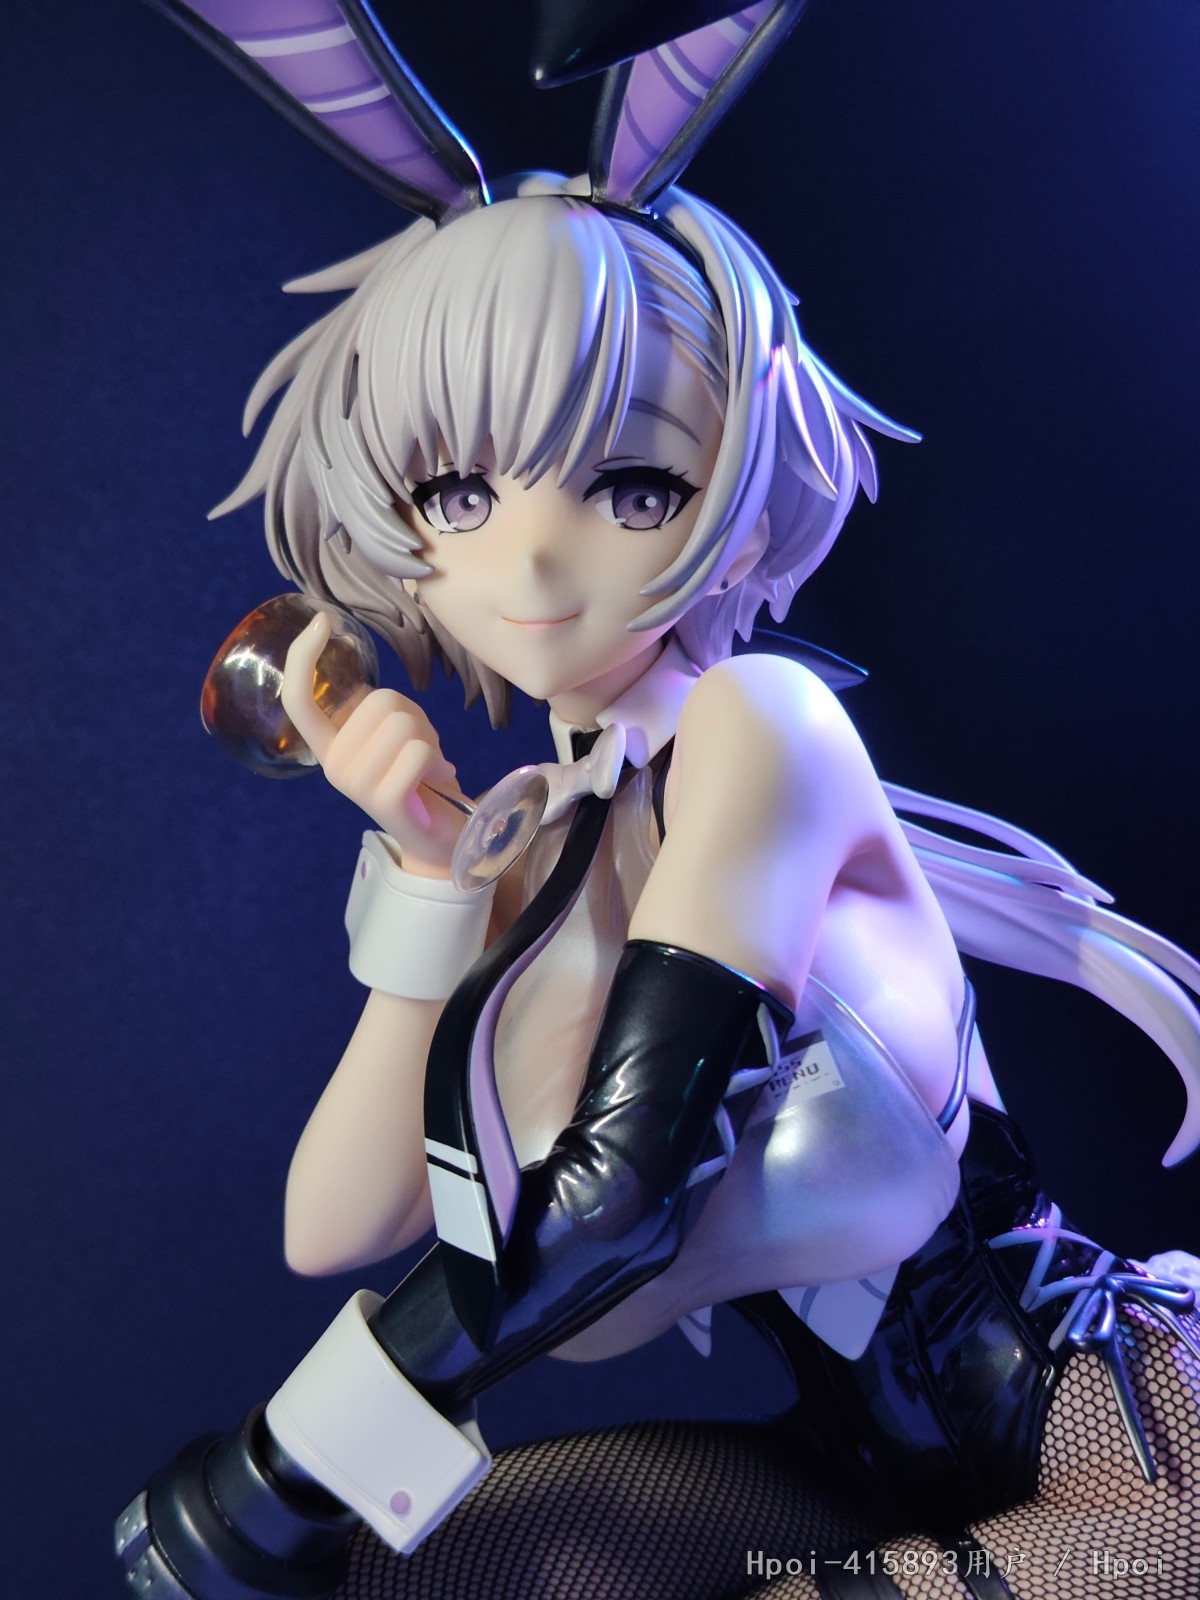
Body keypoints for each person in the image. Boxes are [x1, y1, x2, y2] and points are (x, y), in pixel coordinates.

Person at [117, 6, 1200, 1599]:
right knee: (432, 1575)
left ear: (737, 497)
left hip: (1123, 1442)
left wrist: (288, 1462)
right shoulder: (547, 838)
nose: (536, 557)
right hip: (856, 1471)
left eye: (632, 484)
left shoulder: (765, 729)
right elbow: (331, 1222)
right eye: (461, 492)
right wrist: (436, 874)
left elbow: (622, 1190)